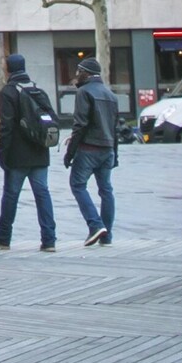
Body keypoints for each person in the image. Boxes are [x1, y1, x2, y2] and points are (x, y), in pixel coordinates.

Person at [0, 52, 58, 251]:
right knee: (42, 194)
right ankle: (49, 240)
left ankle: (3, 238)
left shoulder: (8, 92)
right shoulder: (38, 90)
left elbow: (6, 126)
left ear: (8, 69)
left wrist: (2, 153)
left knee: (11, 195)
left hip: (17, 155)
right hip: (40, 153)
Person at [65, 55, 120, 247]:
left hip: (88, 148)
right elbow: (115, 128)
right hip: (108, 149)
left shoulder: (84, 92)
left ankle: (95, 225)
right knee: (106, 190)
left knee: (77, 185)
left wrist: (70, 153)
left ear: (86, 73)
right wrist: (115, 154)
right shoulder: (111, 95)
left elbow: (80, 125)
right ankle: (107, 235)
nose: (76, 75)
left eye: (79, 71)